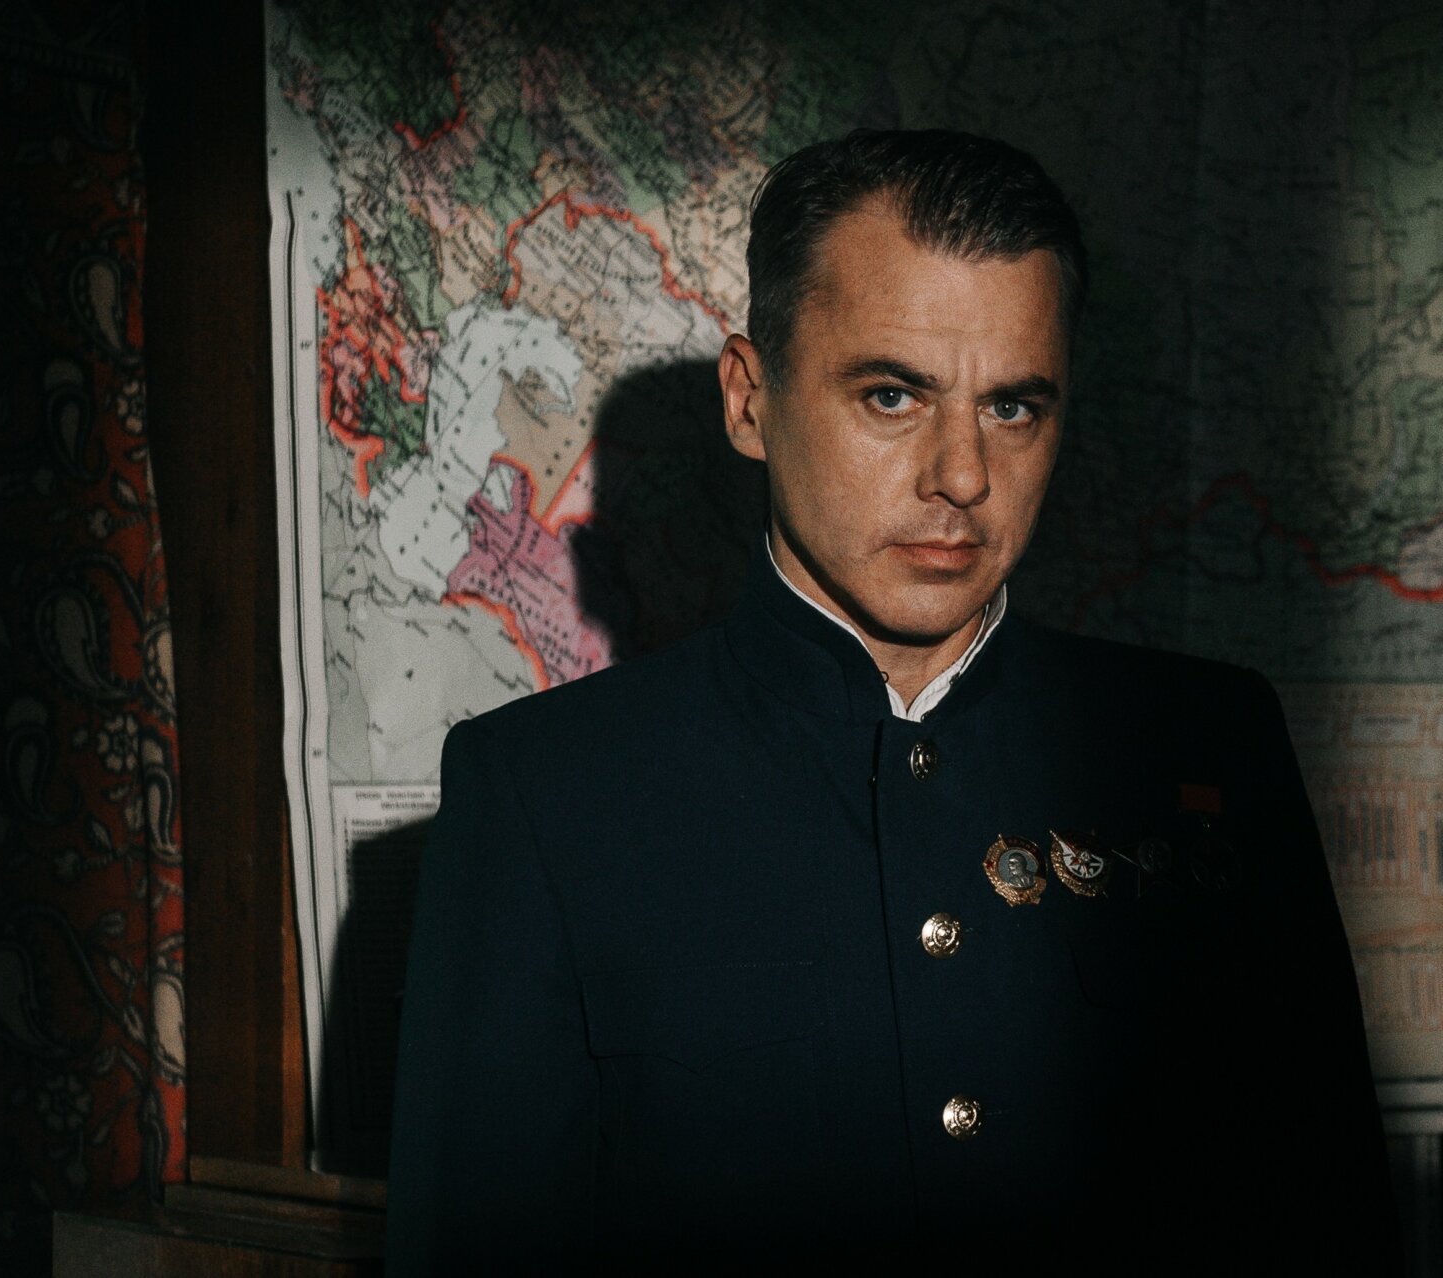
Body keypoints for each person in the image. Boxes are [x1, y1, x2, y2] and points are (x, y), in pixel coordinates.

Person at [385, 129, 1396, 1271]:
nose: (961, 474)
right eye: (891, 395)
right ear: (750, 401)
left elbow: (1331, 1220)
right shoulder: (545, 794)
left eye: (1013, 408)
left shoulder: (1209, 747)